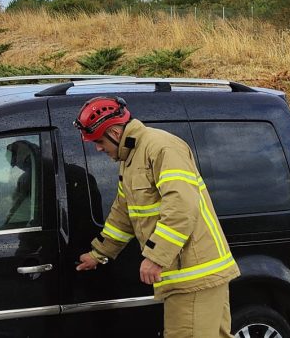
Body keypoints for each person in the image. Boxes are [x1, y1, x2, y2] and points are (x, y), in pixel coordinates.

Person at [74, 96, 238, 338]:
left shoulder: (161, 148)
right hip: (189, 276)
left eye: (98, 141)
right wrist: (99, 253)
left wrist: (155, 257)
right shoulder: (131, 159)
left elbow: (181, 206)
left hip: (194, 277)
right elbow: (123, 214)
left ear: (116, 132)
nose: (98, 148)